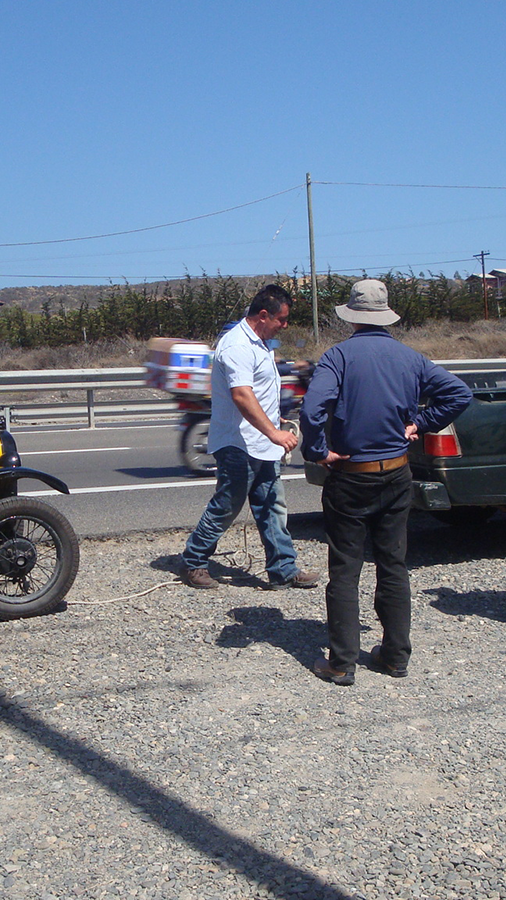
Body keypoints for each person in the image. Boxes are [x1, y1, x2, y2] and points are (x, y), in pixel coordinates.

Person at [299, 279, 473, 685]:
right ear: (386, 315)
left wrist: (318, 451)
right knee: (393, 564)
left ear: (352, 317)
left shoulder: (338, 357)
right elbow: (458, 394)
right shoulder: (410, 358)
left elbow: (311, 410)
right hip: (396, 473)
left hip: (350, 476)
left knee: (345, 567)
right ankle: (395, 656)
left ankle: (342, 663)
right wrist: (422, 424)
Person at [181, 285, 321, 591]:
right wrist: (274, 432)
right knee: (227, 505)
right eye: (281, 319)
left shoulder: (260, 343)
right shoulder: (236, 346)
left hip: (262, 442)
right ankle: (194, 560)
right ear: (263, 315)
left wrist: (275, 421)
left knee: (271, 504)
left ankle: (283, 568)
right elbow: (242, 395)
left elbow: (259, 391)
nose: (285, 325)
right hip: (238, 444)